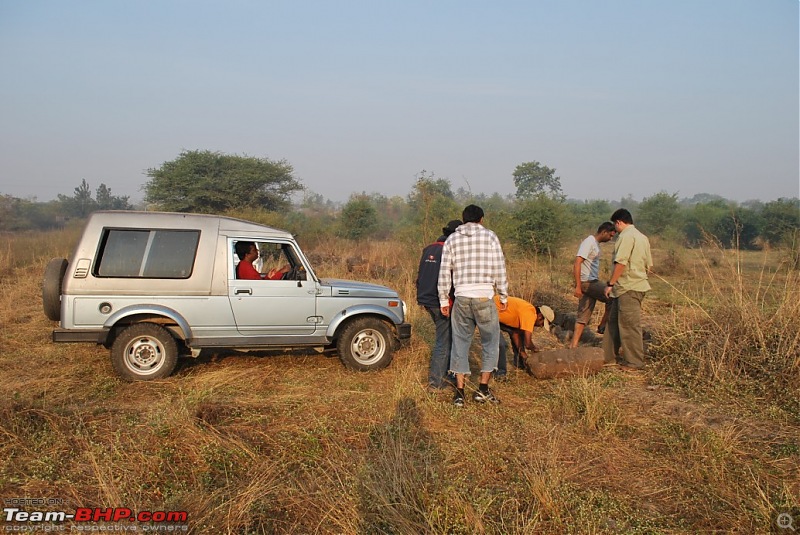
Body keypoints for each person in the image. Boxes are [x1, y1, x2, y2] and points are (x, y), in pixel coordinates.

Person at [438, 204, 508, 407]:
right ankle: (483, 389)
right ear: (481, 219)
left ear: (463, 219)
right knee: (490, 342)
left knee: (460, 343)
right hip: (484, 297)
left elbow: (445, 272)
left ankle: (459, 393)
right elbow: (499, 268)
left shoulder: (452, 239)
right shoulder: (490, 237)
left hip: (461, 298)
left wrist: (444, 299)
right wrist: (503, 296)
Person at [603, 209, 653, 370]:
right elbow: (649, 266)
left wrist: (610, 283)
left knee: (629, 326)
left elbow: (621, 263)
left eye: (615, 226)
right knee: (613, 323)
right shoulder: (642, 237)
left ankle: (634, 361)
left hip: (628, 287)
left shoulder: (626, 237)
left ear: (618, 222)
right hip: (632, 286)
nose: (614, 230)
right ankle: (608, 357)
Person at [415, 219, 462, 390]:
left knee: (446, 338)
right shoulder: (448, 251)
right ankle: (436, 383)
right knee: (444, 341)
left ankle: (447, 374)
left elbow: (419, 276)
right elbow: (450, 281)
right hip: (440, 301)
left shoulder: (428, 248)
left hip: (426, 300)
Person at [570, 222, 616, 349]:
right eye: (610, 236)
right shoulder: (589, 242)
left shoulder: (594, 244)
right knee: (612, 295)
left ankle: (573, 345)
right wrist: (578, 286)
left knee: (583, 316)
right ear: (604, 232)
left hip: (590, 282)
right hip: (588, 282)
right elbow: (577, 263)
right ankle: (602, 325)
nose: (610, 239)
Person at [495, 296, 555, 371]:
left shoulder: (529, 311)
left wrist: (523, 354)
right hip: (490, 311)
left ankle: (520, 364)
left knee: (521, 333)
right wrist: (535, 349)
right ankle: (500, 373)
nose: (540, 326)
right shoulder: (530, 314)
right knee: (500, 344)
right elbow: (528, 343)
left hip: (498, 315)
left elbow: (515, 333)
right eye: (542, 323)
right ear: (540, 316)